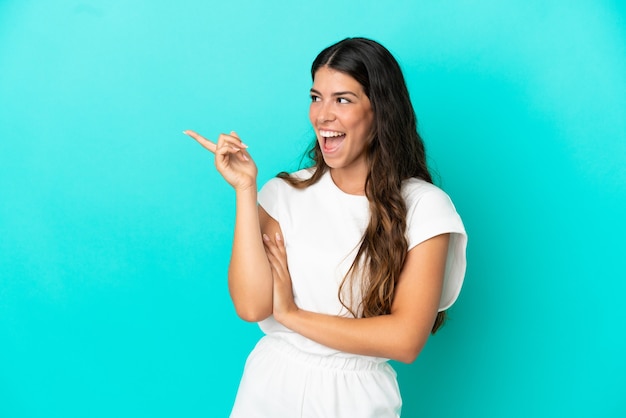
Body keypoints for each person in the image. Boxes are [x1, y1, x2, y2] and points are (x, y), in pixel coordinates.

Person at [184, 37, 467, 418]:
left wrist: (292, 316)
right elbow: (252, 306)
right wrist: (245, 189)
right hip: (270, 387)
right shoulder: (283, 193)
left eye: (343, 99)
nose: (322, 115)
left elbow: (405, 340)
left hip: (356, 398)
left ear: (380, 110)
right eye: (316, 97)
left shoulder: (425, 207)